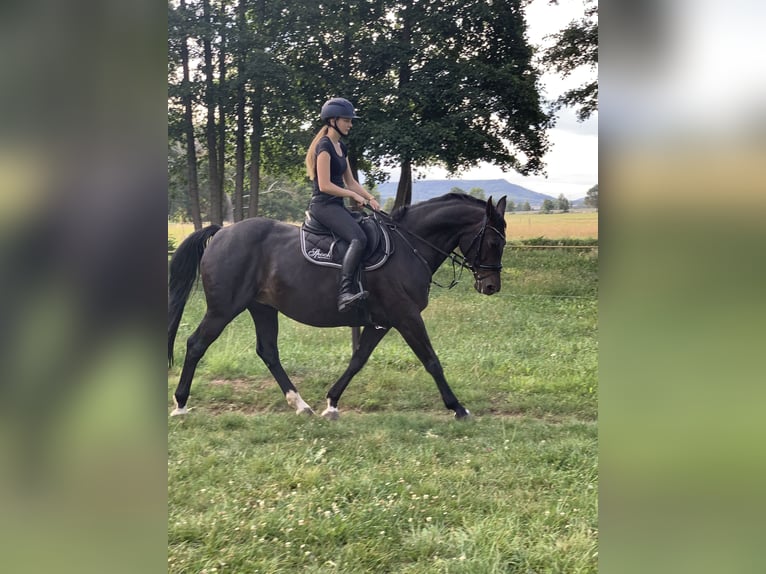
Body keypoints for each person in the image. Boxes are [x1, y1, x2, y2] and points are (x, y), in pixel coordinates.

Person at [305, 97, 381, 312]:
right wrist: (351, 195)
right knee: (358, 237)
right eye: (347, 120)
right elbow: (325, 184)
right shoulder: (324, 147)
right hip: (323, 206)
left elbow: (351, 181)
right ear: (333, 120)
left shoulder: (341, 147)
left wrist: (370, 197)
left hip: (336, 205)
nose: (350, 124)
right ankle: (345, 292)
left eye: (350, 121)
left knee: (368, 227)